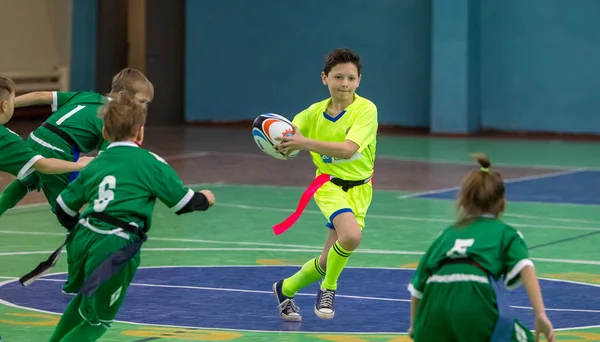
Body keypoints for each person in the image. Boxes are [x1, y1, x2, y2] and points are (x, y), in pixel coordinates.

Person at [47, 91, 216, 341]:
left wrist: (83, 230)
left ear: (104, 133)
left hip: (82, 238)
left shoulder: (96, 163)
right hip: (116, 244)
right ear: (140, 132)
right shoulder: (150, 162)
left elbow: (63, 208)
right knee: (99, 321)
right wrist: (205, 198)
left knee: (85, 300)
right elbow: (184, 203)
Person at [271, 48, 378, 321]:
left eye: (350, 78)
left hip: (361, 188)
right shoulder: (310, 115)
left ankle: (286, 288)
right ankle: (328, 288)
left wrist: (303, 143)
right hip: (328, 185)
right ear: (324, 78)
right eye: (338, 77)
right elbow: (289, 140)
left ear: (359, 80)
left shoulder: (366, 110)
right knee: (351, 237)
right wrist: (280, 145)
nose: (344, 84)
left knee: (326, 259)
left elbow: (347, 149)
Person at [407, 154, 555, 342]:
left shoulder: (444, 236)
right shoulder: (505, 233)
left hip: (434, 300)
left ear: (463, 201)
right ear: (503, 204)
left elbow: (417, 288)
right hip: (473, 294)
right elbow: (525, 266)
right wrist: (540, 314)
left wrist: (415, 325)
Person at [0, 68, 154, 218]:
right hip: (58, 149)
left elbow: (41, 95)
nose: (144, 107)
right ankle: (79, 236)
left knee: (29, 179)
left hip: (36, 137)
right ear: (123, 97)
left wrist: (7, 102)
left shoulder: (87, 96)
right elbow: (107, 160)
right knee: (67, 205)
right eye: (141, 101)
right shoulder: (115, 118)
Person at [0, 75, 92, 179]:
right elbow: (44, 166)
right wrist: (80, 165)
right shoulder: (6, 139)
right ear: (5, 106)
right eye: (13, 100)